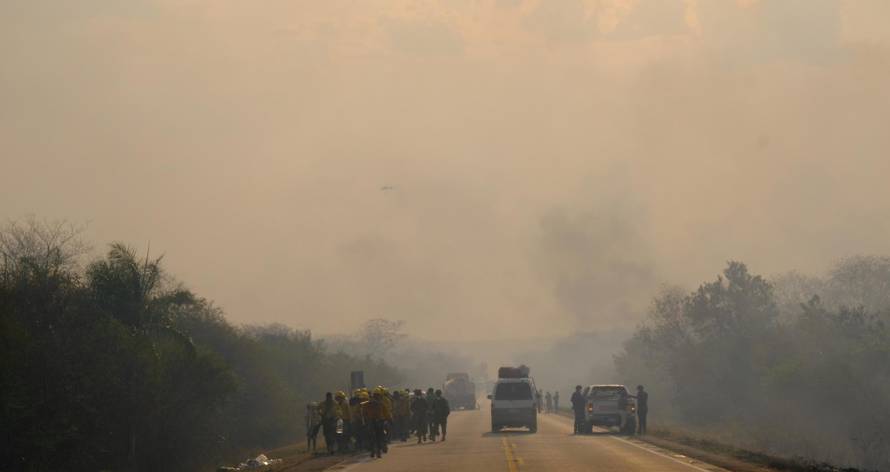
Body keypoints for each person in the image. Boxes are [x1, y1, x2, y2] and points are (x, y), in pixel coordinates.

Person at [361, 391, 392, 459]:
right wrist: (388, 419)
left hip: (372, 422)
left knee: (372, 436)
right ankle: (379, 451)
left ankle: (373, 451)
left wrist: (367, 419)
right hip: (379, 421)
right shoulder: (380, 404)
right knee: (380, 436)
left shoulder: (367, 404)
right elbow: (386, 413)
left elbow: (364, 414)